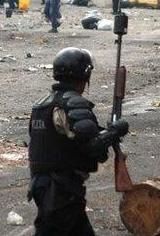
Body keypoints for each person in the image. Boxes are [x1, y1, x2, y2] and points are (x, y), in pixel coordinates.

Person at [28, 47, 129, 235]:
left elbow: (58, 140)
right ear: (85, 74)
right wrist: (115, 131)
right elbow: (92, 148)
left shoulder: (41, 104)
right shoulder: (73, 103)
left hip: (44, 187)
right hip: (61, 189)